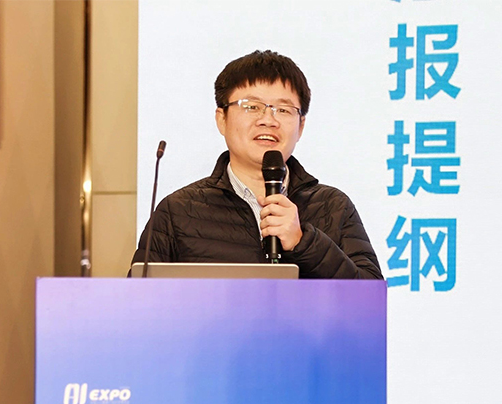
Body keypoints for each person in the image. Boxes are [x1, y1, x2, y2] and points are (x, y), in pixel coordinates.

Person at [130, 50, 382, 280]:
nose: (268, 120)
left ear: (301, 126)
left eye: (283, 110)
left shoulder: (332, 206)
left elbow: (370, 299)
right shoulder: (178, 212)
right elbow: (138, 304)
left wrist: (303, 242)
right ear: (222, 119)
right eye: (252, 107)